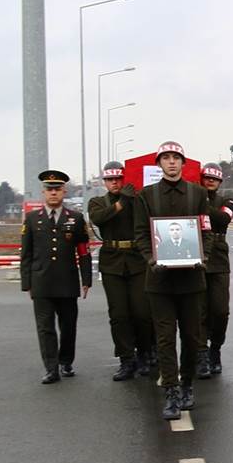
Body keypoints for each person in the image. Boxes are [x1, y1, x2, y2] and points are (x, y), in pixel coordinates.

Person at [134, 141, 213, 420]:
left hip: (192, 279)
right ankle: (171, 391)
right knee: (166, 339)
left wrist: (204, 257)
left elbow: (207, 231)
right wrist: (151, 259)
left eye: (176, 158)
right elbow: (141, 233)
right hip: (160, 281)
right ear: (159, 164)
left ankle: (188, 383)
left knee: (192, 338)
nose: (171, 162)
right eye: (165, 158)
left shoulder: (198, 194)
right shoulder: (146, 196)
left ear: (183, 162)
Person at [21, 169, 92, 384]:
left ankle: (66, 361)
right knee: (45, 328)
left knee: (68, 325)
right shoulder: (32, 219)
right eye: (49, 189)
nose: (53, 193)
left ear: (64, 192)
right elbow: (26, 253)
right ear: (44, 192)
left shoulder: (76, 218)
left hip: (67, 281)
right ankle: (51, 368)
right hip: (41, 282)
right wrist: (27, 283)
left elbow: (83, 251)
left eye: (57, 189)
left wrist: (86, 279)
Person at [87, 161, 151, 381]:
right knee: (118, 314)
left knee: (142, 312)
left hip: (136, 259)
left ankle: (145, 352)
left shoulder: (136, 200)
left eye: (118, 179)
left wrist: (131, 199)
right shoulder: (98, 202)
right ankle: (126, 358)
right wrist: (121, 202)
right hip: (112, 261)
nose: (115, 183)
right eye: (110, 180)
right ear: (104, 182)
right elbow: (98, 218)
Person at [197, 163, 233, 378]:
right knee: (199, 310)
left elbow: (223, 219)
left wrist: (201, 205)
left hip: (219, 259)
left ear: (220, 182)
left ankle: (215, 349)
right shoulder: (193, 198)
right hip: (197, 253)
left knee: (220, 310)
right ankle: (201, 353)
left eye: (215, 178)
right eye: (207, 177)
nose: (210, 181)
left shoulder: (226, 202)